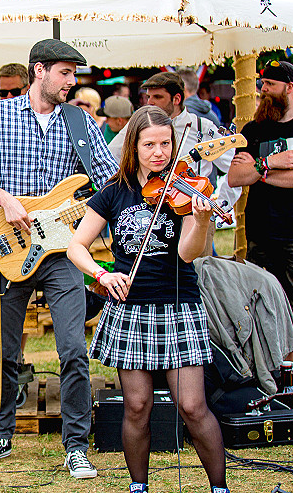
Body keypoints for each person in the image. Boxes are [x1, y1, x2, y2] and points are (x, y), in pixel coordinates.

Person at [0, 38, 118, 478]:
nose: (71, 82)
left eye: (74, 74)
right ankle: (1, 433)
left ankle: (76, 445)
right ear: (39, 71)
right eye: (65, 73)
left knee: (73, 349)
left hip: (62, 250)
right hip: (6, 246)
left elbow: (109, 179)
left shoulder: (80, 121)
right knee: (4, 352)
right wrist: (4, 198)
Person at [67, 105, 228, 493]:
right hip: (130, 309)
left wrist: (202, 220)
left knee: (192, 406)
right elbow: (76, 246)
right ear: (133, 146)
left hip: (178, 304)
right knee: (137, 406)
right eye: (149, 145)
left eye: (166, 144)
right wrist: (103, 274)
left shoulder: (185, 188)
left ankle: (219, 487)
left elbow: (188, 253)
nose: (159, 153)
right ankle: (138, 486)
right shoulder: (113, 192)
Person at [227, 60, 293, 396]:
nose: (263, 90)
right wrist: (271, 162)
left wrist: (260, 173)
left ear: (289, 87)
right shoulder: (254, 130)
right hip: (262, 234)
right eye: (262, 84)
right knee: (267, 310)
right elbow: (235, 177)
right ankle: (280, 382)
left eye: (270, 84)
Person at [109, 72, 238, 257]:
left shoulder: (202, 127)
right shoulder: (140, 125)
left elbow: (234, 168)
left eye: (157, 97)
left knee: (197, 270)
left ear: (176, 99)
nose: (150, 103)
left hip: (194, 216)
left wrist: (221, 206)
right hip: (154, 216)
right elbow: (110, 157)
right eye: (148, 97)